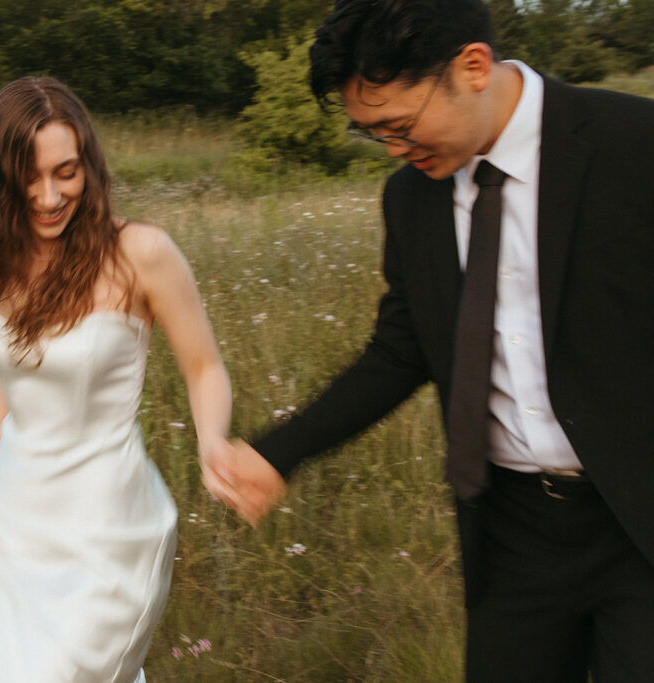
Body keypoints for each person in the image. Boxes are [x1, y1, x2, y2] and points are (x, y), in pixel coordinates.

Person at [204, 0, 654, 680]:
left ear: (472, 67)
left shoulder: (635, 144)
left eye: (399, 125)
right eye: (370, 133)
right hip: (512, 535)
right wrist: (279, 453)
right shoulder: (411, 198)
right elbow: (401, 350)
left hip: (639, 521)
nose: (393, 149)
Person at [0, 76, 232, 683]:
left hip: (109, 532)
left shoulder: (140, 254)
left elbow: (204, 366)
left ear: (89, 166)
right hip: (19, 522)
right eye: (29, 177)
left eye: (66, 172)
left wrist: (212, 442)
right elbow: (19, 378)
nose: (49, 196)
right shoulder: (2, 256)